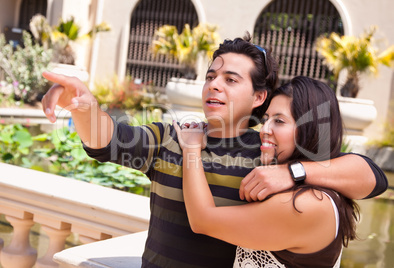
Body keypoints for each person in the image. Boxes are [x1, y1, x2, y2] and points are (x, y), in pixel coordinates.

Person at [41, 34, 387, 267]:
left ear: (258, 97)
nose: (214, 84)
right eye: (211, 76)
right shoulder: (171, 136)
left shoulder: (270, 151)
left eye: (231, 79)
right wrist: (84, 109)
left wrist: (290, 172)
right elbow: (109, 140)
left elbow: (370, 176)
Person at [174, 76, 360, 267]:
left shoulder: (305, 205)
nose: (265, 129)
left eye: (279, 121)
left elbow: (202, 220)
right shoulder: (312, 184)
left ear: (310, 130)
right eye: (266, 119)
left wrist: (191, 149)